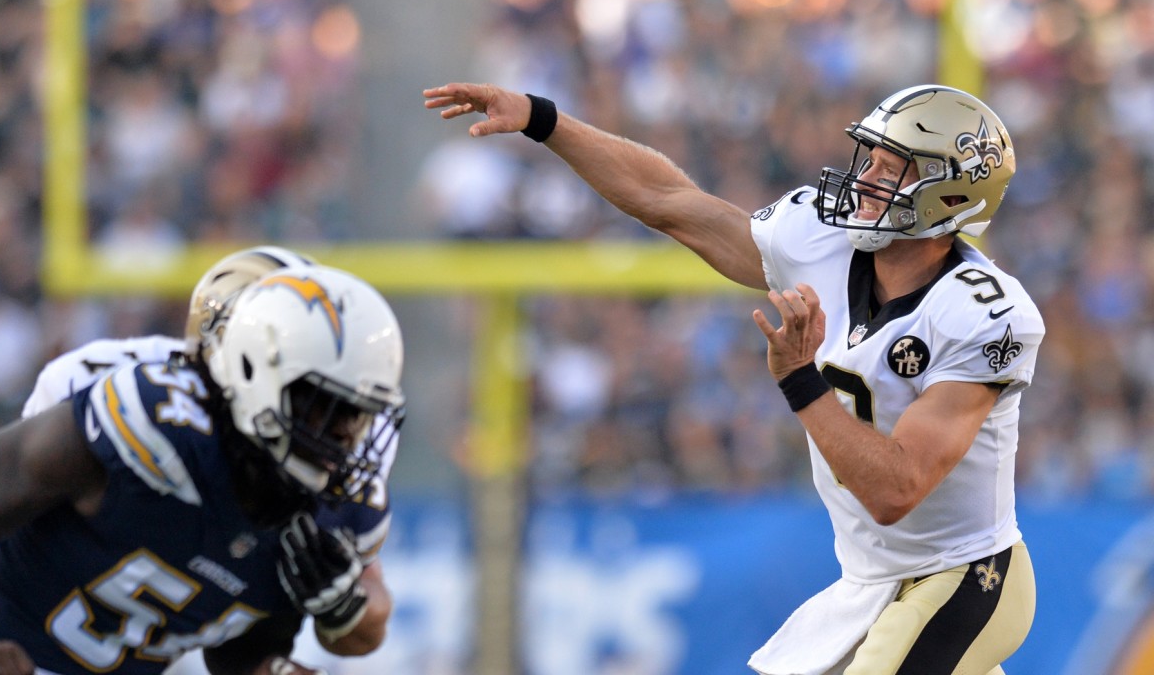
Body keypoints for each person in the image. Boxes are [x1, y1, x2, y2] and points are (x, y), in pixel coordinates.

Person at [424, 82, 1043, 675]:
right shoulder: (820, 240)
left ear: (953, 197)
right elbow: (670, 203)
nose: (864, 181)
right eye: (870, 160)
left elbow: (896, 490)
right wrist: (544, 120)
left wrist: (801, 381)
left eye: (892, 171)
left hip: (966, 574)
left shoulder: (984, 314)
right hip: (870, 580)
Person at [0, 262, 407, 675]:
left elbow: (239, 648)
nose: (346, 437)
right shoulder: (149, 424)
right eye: (326, 407)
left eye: (358, 414)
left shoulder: (325, 510)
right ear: (255, 373)